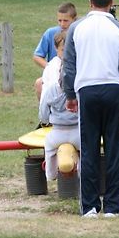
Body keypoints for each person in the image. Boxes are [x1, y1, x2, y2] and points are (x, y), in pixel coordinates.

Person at [62, 0, 119, 218]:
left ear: (89, 2)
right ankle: (113, 207)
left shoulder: (76, 28)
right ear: (112, 3)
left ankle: (90, 206)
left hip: (86, 90)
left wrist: (69, 94)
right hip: (113, 90)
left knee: (89, 149)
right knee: (115, 150)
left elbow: (69, 65)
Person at [38, 30, 80, 180]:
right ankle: (83, 173)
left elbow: (43, 107)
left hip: (57, 131)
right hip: (77, 130)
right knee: (86, 150)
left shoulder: (51, 86)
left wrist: (44, 121)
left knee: (49, 148)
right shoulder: (79, 87)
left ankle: (50, 174)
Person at [33, 2, 77, 100]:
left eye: (66, 21)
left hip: (74, 73)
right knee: (39, 83)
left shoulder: (79, 33)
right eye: (59, 20)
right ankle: (45, 111)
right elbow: (37, 56)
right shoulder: (51, 33)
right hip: (55, 74)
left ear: (74, 19)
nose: (62, 24)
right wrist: (51, 67)